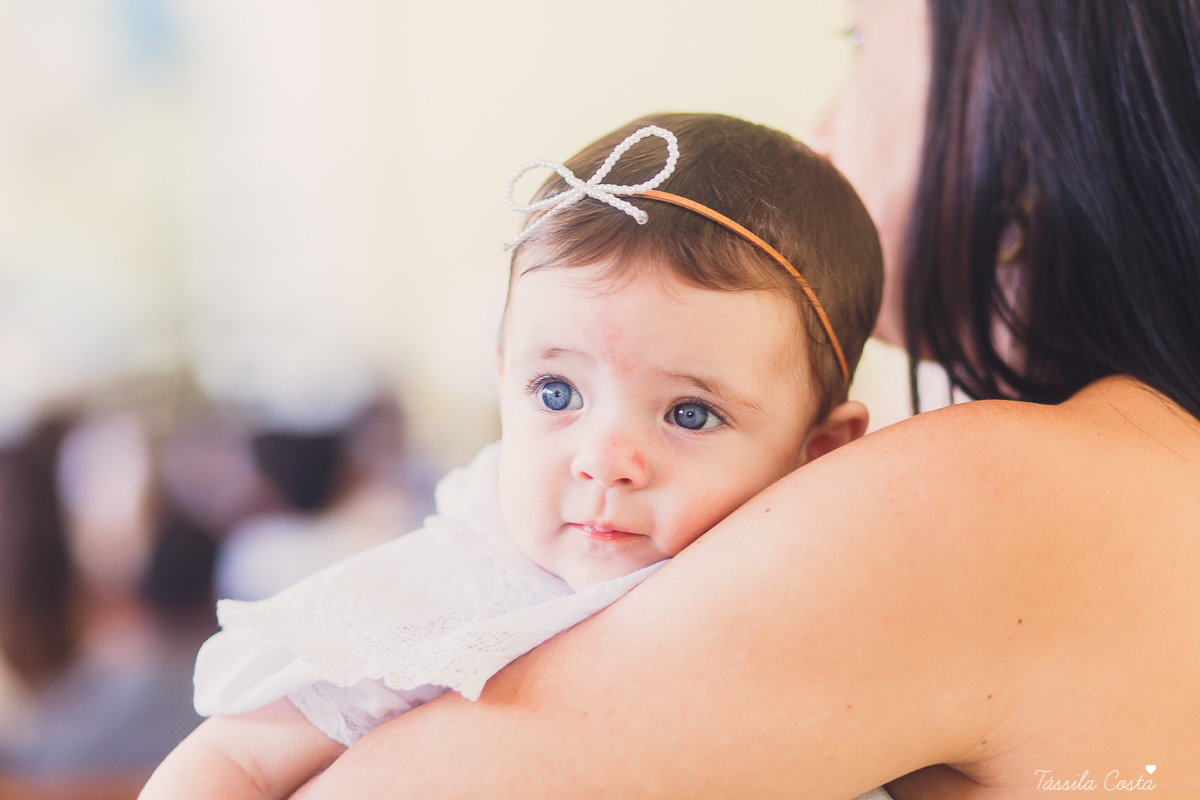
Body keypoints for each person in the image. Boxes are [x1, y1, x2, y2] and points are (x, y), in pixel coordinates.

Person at [255, 0, 1199, 797]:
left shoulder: (996, 495)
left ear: (1024, 85)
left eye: (860, 41)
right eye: (555, 389)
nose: (823, 129)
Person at [140, 112, 887, 799]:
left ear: (817, 451)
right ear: (505, 382)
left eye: (690, 413)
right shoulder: (448, 597)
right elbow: (232, 763)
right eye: (557, 393)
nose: (603, 461)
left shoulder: (834, 616)